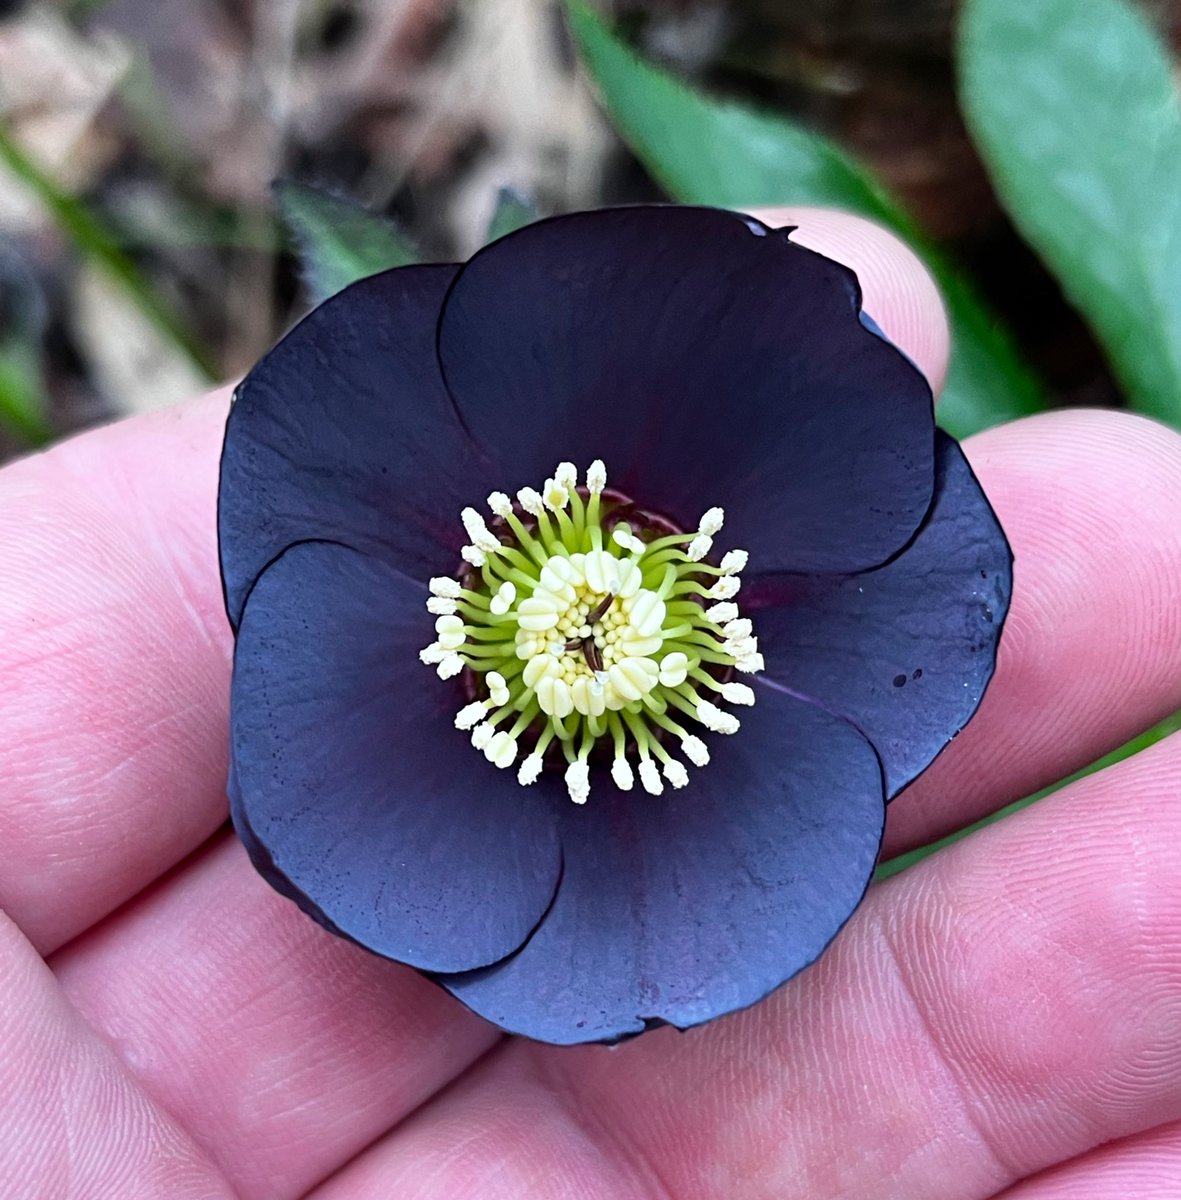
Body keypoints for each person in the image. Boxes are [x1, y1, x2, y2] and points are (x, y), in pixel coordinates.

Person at [3, 206, 1181, 1200]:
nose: (593, 619)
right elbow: (318, 450)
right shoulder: (352, 513)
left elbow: (931, 594)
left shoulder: (852, 608)